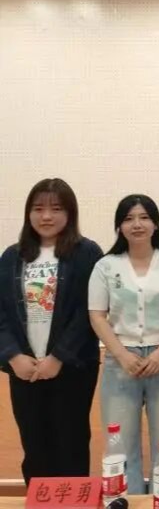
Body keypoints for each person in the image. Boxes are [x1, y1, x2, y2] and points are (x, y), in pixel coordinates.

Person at [0, 178, 102, 483]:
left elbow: (89, 312)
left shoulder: (87, 253)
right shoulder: (12, 256)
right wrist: (13, 355)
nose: (46, 216)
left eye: (56, 209)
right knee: (34, 444)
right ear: (28, 213)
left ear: (70, 213)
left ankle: (73, 500)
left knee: (71, 441)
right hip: (24, 368)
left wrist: (58, 357)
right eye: (38, 208)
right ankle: (40, 499)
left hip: (72, 367)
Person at [89, 194, 159, 493]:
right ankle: (128, 500)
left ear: (156, 224)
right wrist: (122, 355)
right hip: (121, 362)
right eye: (129, 218)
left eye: (144, 217)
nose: (137, 224)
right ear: (119, 226)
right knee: (119, 445)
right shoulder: (106, 265)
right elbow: (97, 315)